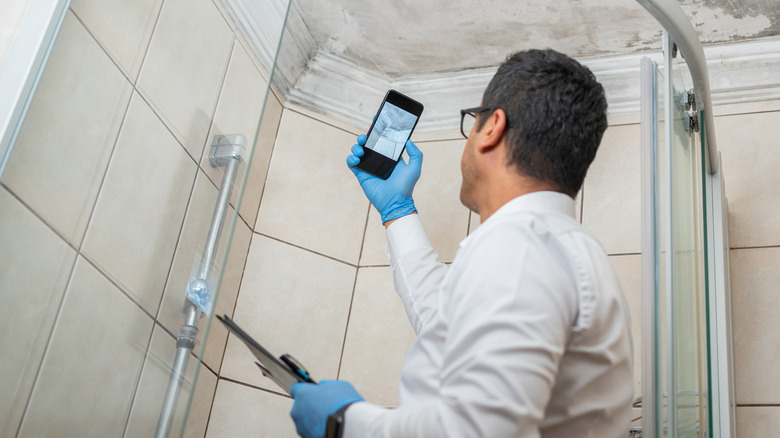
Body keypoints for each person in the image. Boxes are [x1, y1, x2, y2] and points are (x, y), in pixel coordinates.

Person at [289, 49, 634, 438]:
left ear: (491, 128)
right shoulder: (557, 249)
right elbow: (444, 323)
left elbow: (478, 429)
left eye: (473, 121)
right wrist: (398, 211)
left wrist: (345, 423)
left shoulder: (522, 246)